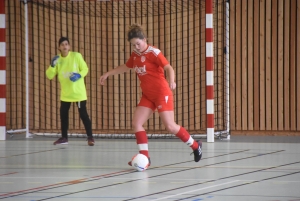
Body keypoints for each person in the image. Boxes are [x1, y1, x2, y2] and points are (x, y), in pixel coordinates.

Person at [99, 24, 202, 166]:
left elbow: (168, 67)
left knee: (170, 126)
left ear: (145, 39)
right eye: (133, 45)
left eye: (138, 43)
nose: (136, 47)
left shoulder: (154, 52)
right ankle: (145, 158)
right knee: (137, 123)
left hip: (161, 92)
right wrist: (108, 74)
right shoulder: (135, 55)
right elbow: (126, 66)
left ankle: (196, 146)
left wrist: (172, 81)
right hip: (147, 95)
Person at [46, 37, 95, 146]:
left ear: (69, 46)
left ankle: (90, 137)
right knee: (63, 115)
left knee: (83, 115)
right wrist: (52, 66)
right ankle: (64, 138)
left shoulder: (76, 56)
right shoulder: (57, 60)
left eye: (66, 44)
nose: (64, 46)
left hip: (78, 94)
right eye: (62, 44)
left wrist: (79, 75)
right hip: (66, 94)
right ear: (59, 47)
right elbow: (49, 75)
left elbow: (85, 69)